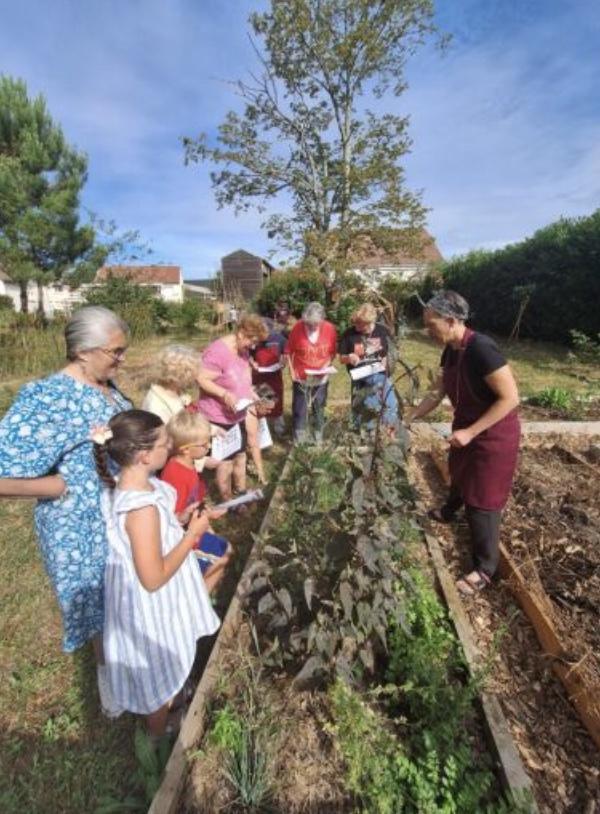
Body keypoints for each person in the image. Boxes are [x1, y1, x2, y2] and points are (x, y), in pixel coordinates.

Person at [0, 306, 131, 708]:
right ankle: (114, 694)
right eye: (116, 351)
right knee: (99, 610)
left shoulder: (106, 385)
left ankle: (135, 680)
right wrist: (57, 486)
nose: (122, 359)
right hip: (79, 526)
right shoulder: (47, 398)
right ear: (82, 351)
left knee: (124, 599)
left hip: (118, 513)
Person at [94, 409, 221, 738]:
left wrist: (179, 521)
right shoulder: (141, 510)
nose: (170, 447)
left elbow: (151, 537)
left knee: (165, 667)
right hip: (150, 605)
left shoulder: (135, 488)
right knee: (159, 678)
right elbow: (152, 577)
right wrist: (193, 534)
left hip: (148, 595)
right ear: (143, 455)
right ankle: (158, 733)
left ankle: (170, 706)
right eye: (165, 443)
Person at [407, 290, 520, 595]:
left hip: (493, 434)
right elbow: (440, 386)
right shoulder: (452, 349)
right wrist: (412, 416)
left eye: (432, 325)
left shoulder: (482, 349)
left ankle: (485, 568)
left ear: (452, 320)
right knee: (458, 470)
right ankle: (449, 510)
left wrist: (471, 432)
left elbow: (510, 398)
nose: (428, 331)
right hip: (467, 428)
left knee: (483, 498)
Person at [193, 314, 269, 500]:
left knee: (241, 456)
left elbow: (242, 378)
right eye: (252, 341)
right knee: (225, 463)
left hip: (238, 413)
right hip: (218, 417)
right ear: (242, 333)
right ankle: (227, 500)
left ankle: (241, 492)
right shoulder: (217, 351)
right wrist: (224, 394)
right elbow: (201, 379)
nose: (254, 346)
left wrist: (250, 393)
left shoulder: (242, 350)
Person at [161, 411, 231, 594]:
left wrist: (207, 512)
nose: (209, 446)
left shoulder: (188, 464)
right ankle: (199, 603)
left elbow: (193, 501)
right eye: (204, 444)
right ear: (185, 449)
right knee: (223, 557)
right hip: (184, 541)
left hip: (193, 528)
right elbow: (173, 519)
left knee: (226, 549)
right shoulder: (175, 476)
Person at [339, 303, 399, 434]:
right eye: (356, 323)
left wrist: (387, 359)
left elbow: (392, 352)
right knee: (358, 406)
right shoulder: (349, 334)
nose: (357, 326)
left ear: (370, 322)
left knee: (384, 403)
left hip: (380, 374)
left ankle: (380, 432)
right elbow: (341, 358)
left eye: (361, 324)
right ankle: (357, 434)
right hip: (359, 376)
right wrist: (349, 357)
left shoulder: (383, 331)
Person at [284, 302, 337, 443]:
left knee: (319, 407)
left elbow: (332, 352)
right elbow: (288, 352)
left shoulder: (330, 329)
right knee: (300, 409)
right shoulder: (297, 328)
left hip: (321, 377)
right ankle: (299, 441)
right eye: (309, 324)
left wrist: (327, 365)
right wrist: (291, 372)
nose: (312, 327)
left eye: (316, 324)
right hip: (301, 377)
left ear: (322, 320)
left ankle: (317, 438)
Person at [141, 344, 201, 423]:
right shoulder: (157, 406)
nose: (194, 378)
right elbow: (166, 433)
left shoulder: (174, 390)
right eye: (191, 374)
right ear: (181, 375)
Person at [250, 318, 286, 436]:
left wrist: (283, 361)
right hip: (258, 376)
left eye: (263, 334)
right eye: (258, 334)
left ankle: (279, 428)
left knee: (276, 401)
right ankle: (261, 431)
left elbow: (286, 353)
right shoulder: (254, 340)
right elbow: (248, 356)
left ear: (269, 331)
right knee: (259, 401)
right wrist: (252, 363)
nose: (260, 337)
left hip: (274, 376)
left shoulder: (279, 339)